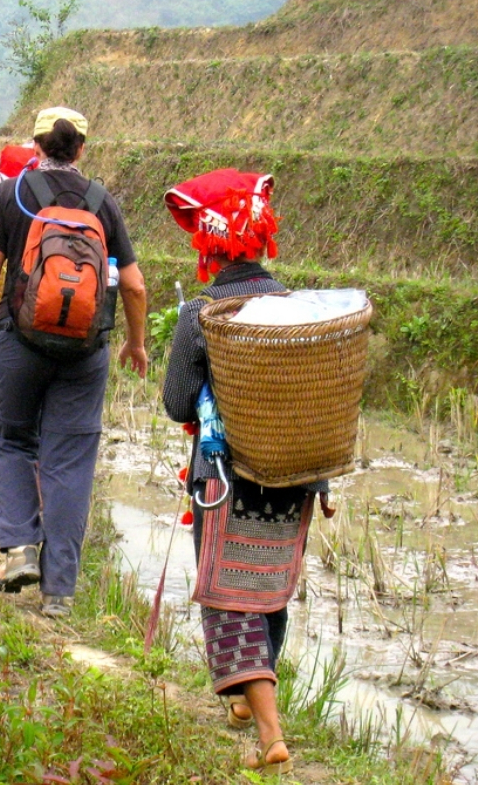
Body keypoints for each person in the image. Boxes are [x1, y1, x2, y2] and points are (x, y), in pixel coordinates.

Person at [0, 107, 149, 619]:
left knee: (9, 437)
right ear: (80, 150)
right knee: (70, 461)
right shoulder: (103, 203)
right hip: (85, 350)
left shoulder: (13, 194)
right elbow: (136, 285)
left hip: (22, 343)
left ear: (36, 146)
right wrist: (136, 343)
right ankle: (60, 592)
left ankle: (19, 549)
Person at [162, 168, 310, 776]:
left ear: (210, 242)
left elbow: (176, 402)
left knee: (228, 595)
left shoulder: (201, 314)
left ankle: (269, 730)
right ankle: (249, 703)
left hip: (223, 477)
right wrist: (322, 482)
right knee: (269, 586)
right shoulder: (301, 311)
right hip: (295, 473)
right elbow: (317, 400)